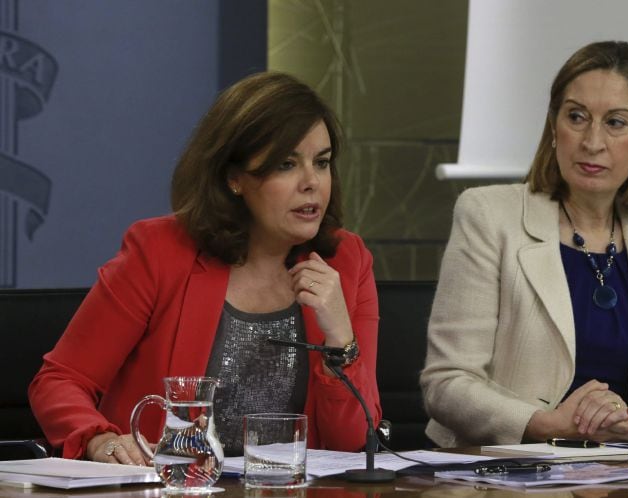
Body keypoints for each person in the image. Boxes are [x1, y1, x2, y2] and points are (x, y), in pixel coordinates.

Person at [29, 72, 381, 464]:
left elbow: (351, 441)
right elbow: (59, 381)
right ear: (234, 178)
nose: (312, 182)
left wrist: (340, 341)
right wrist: (99, 440)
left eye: (322, 162)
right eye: (286, 164)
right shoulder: (159, 252)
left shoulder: (346, 262)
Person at [420, 41, 628, 447]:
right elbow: (448, 383)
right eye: (576, 117)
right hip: (506, 474)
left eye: (615, 122)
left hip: (621, 474)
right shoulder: (489, 216)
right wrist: (547, 425)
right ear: (553, 125)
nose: (592, 141)